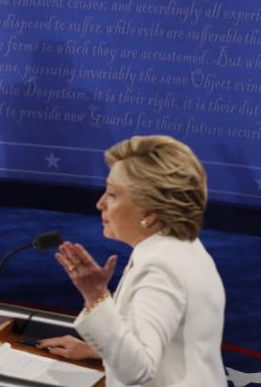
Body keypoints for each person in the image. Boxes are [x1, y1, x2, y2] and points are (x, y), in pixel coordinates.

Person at [38, 135, 225, 386]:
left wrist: (96, 296)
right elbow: (166, 342)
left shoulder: (160, 266)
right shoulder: (182, 246)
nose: (100, 203)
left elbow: (137, 371)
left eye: (113, 195)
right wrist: (96, 350)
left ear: (149, 211)